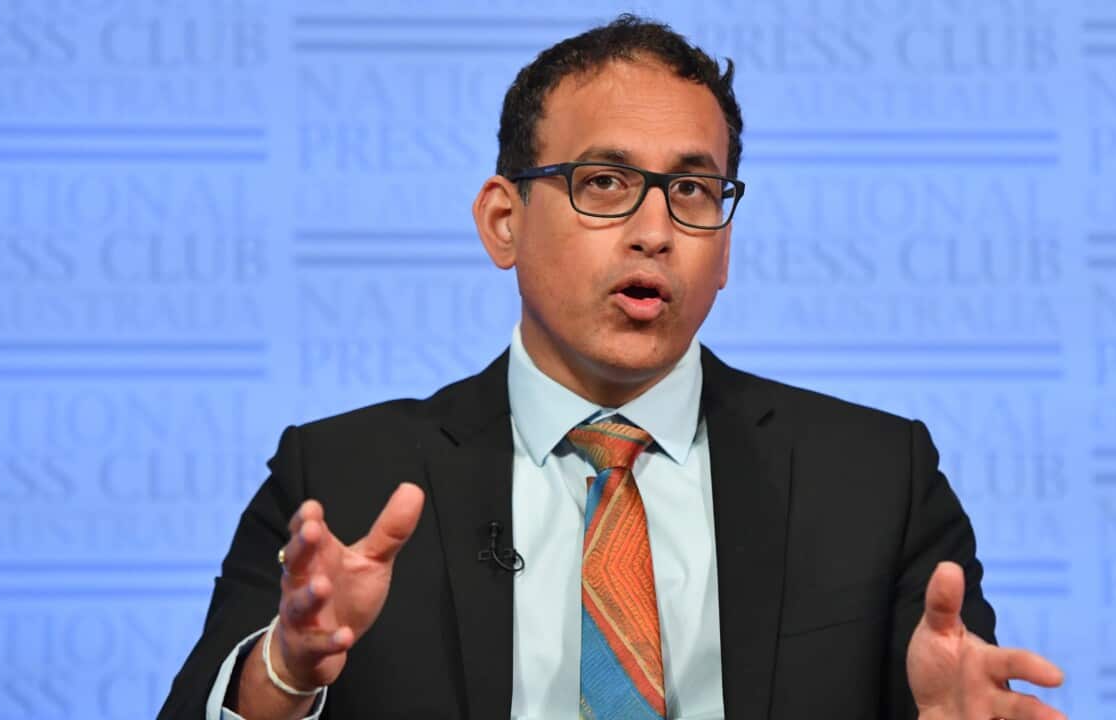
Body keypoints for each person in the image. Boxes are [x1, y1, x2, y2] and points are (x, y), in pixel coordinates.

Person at [160, 15, 1067, 720]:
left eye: (693, 189)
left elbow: (958, 691)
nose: (654, 229)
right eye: (603, 183)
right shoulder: (345, 479)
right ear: (503, 221)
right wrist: (284, 673)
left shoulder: (874, 477)